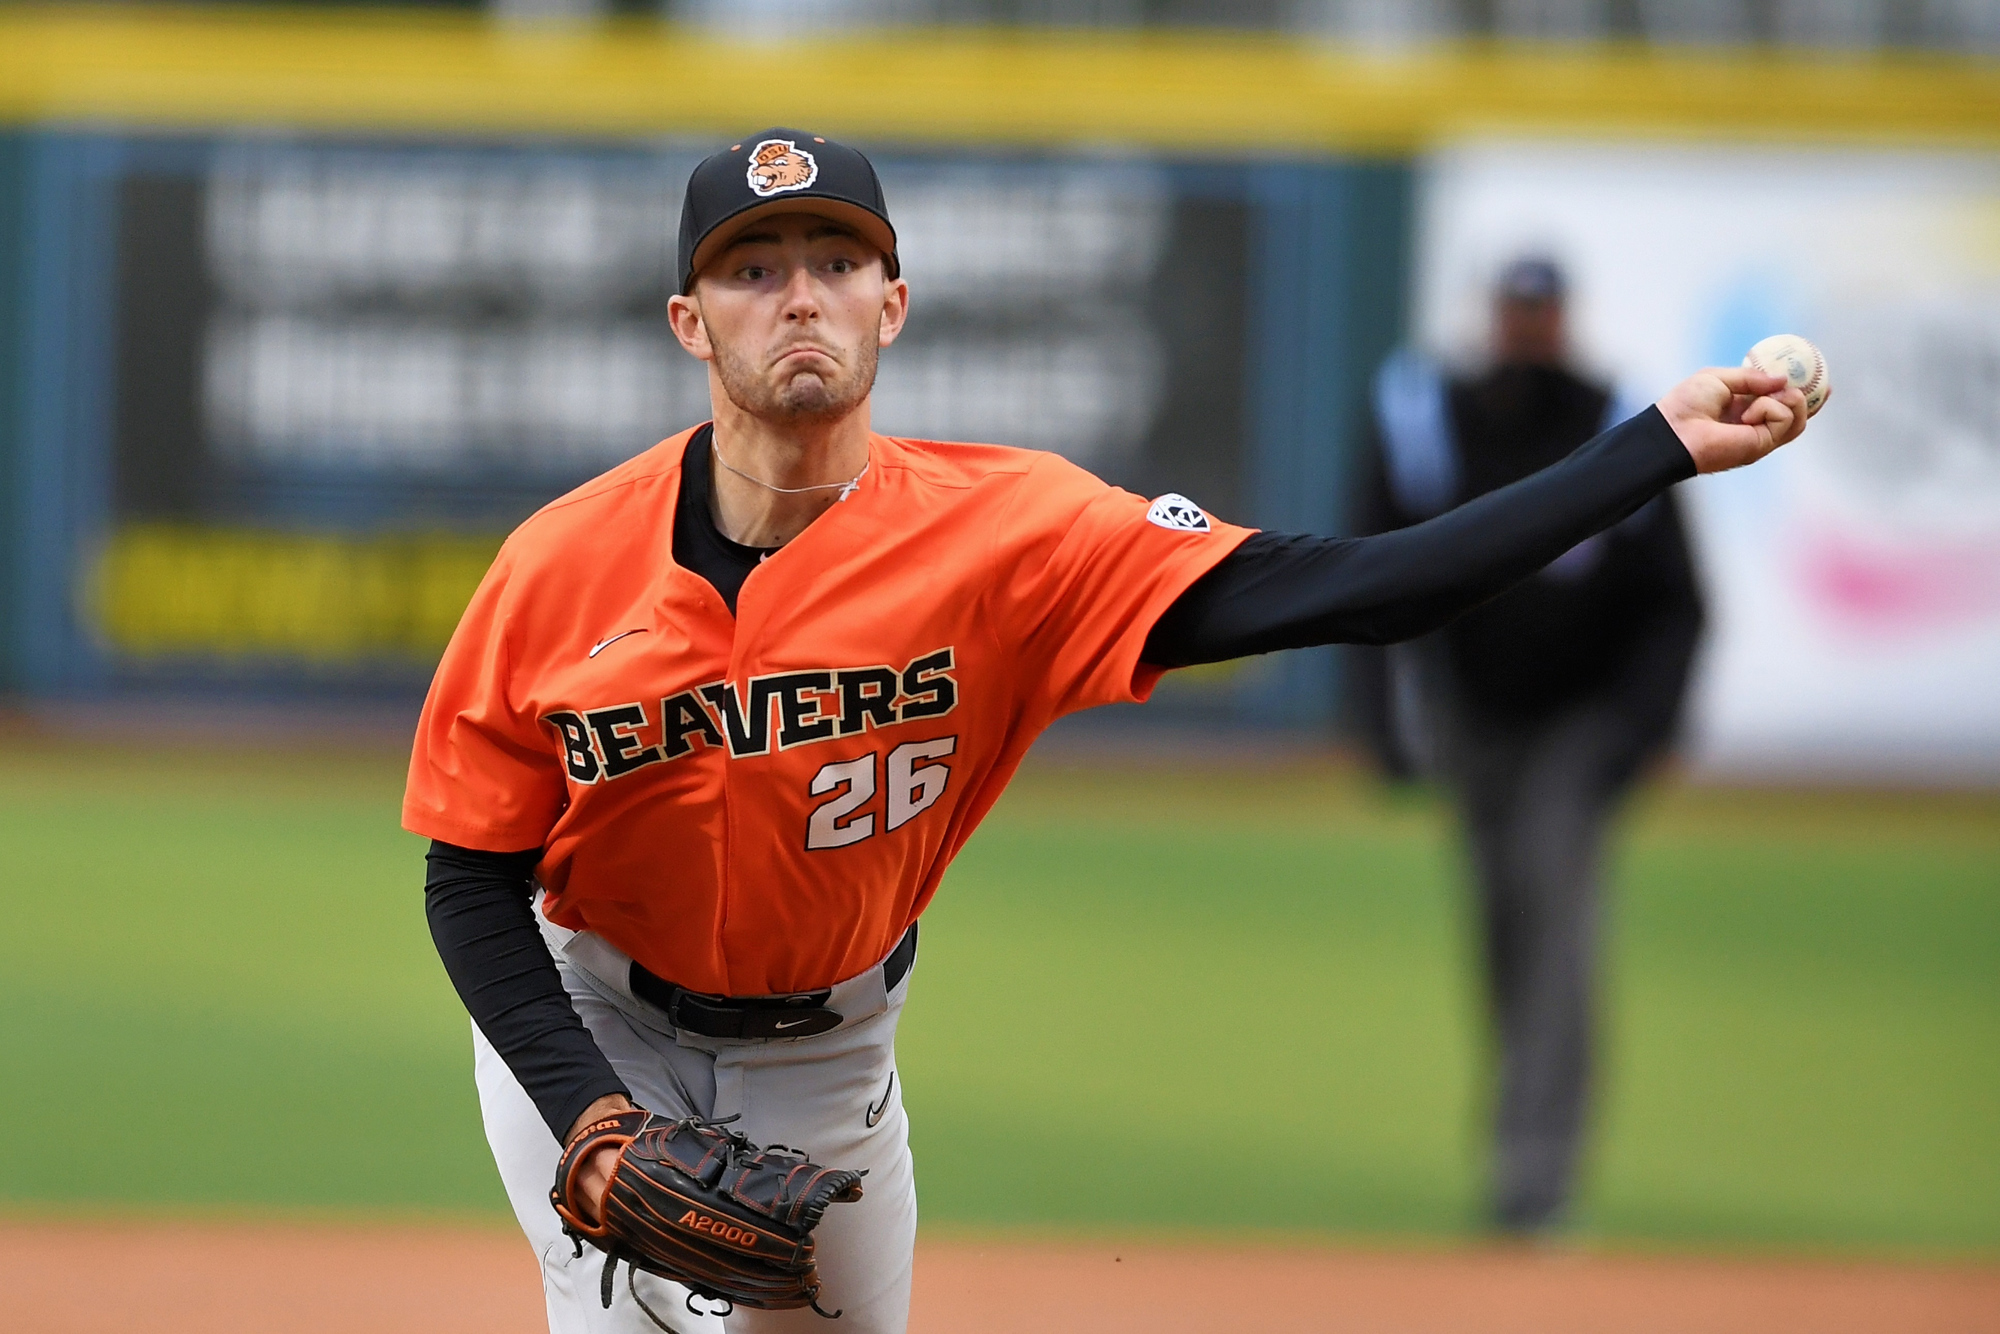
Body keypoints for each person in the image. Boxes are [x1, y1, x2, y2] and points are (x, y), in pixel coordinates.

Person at [403, 132, 1803, 1333]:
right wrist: (590, 1115)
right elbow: (469, 875)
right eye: (753, 269)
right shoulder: (558, 564)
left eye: (836, 261)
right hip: (592, 1028)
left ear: (896, 305)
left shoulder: (1013, 537)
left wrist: (1653, 447)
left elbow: (1368, 591)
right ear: (690, 322)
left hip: (830, 1051)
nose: (800, 298)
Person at [1350, 256, 1707, 1234]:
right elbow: (1363, 568)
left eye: (1540, 310)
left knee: (1553, 934)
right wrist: (1381, 723)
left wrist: (1639, 728)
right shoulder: (1428, 415)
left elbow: (1677, 601)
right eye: (1514, 309)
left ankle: (1534, 1176)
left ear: (1564, 318)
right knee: (1505, 932)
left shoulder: (1611, 423)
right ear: (1491, 317)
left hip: (1577, 723)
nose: (1526, 326)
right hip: (1475, 720)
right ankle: (1522, 1155)